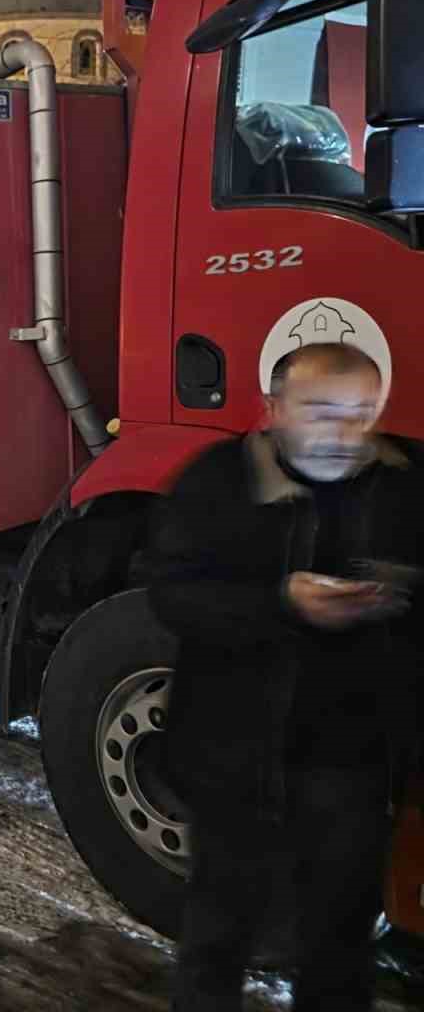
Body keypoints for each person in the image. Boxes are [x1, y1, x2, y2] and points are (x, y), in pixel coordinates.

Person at [151, 342, 424, 1011]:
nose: (344, 432)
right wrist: (282, 602)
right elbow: (172, 595)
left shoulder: (403, 483)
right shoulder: (217, 480)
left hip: (352, 767)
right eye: (322, 411)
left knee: (338, 944)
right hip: (233, 762)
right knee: (217, 936)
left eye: (362, 413)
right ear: (273, 410)